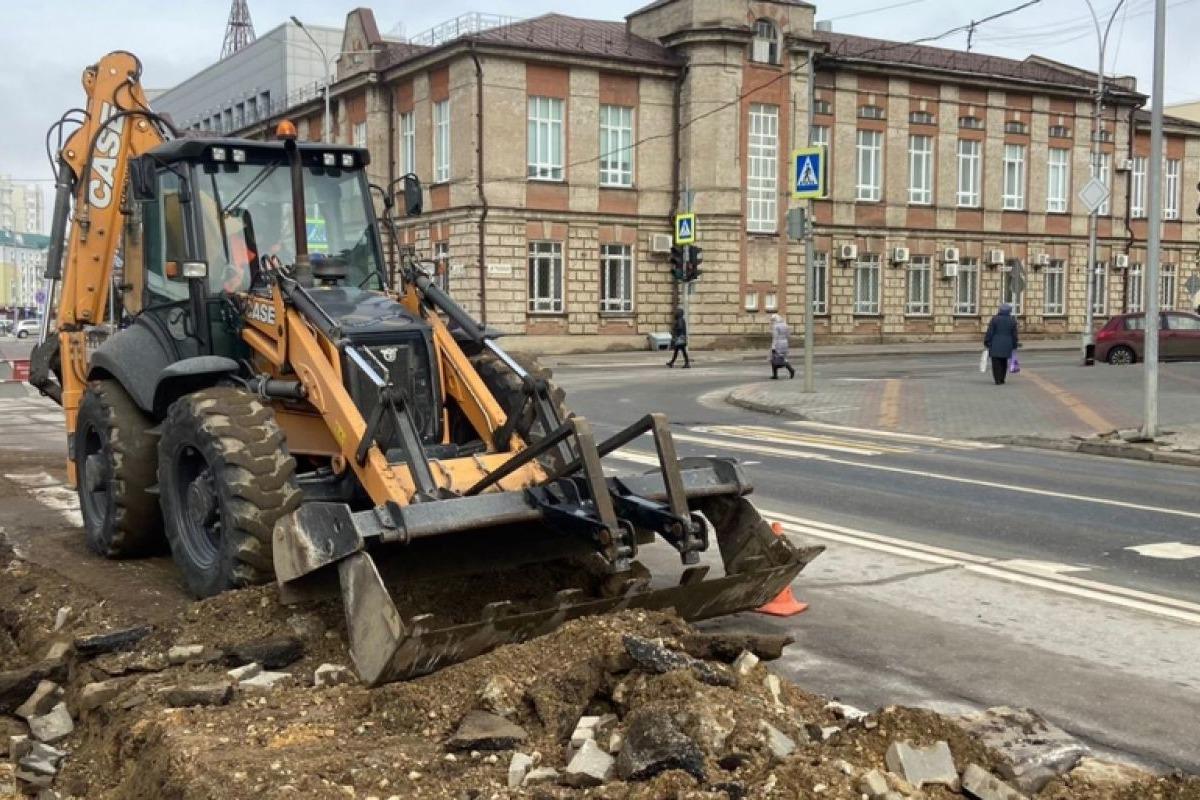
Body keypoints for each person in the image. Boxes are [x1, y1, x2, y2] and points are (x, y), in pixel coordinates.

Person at [984, 302, 1019, 385]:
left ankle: (997, 379)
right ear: (1009, 311)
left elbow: (990, 332)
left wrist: (987, 341)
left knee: (996, 363)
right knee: (1004, 362)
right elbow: (1014, 334)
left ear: (1000, 310)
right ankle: (1002, 378)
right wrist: (1014, 344)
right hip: (1007, 344)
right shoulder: (1012, 320)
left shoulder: (995, 319)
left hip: (995, 343)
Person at [769, 313, 796, 379]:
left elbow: (775, 337)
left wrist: (773, 347)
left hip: (778, 344)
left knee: (775, 358)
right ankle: (776, 374)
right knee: (782, 358)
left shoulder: (776, 326)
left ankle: (790, 370)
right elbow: (788, 335)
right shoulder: (785, 325)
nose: (772, 322)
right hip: (785, 343)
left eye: (772, 320)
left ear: (775, 320)